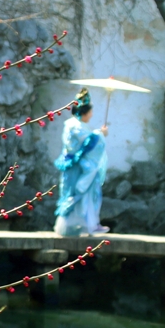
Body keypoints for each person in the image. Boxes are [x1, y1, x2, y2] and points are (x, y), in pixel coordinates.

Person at [54, 88, 110, 236]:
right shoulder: (75, 126)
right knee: (75, 194)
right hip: (77, 166)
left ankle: (87, 225)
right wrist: (100, 134)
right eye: (90, 112)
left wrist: (98, 134)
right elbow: (88, 143)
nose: (91, 115)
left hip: (80, 164)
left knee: (85, 196)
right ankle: (72, 226)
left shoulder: (75, 125)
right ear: (84, 112)